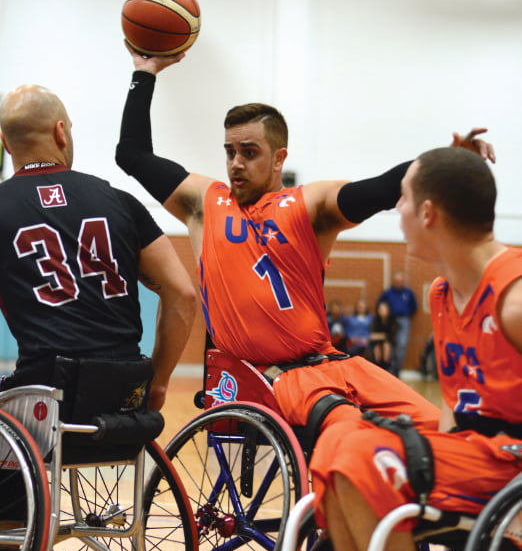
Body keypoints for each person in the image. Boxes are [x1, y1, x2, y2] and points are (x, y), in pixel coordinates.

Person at [115, 47, 494, 442]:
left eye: (249, 152)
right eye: (229, 152)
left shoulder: (307, 206)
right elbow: (133, 154)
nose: (236, 163)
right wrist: (145, 72)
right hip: (273, 376)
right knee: (351, 436)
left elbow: (381, 188)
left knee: (442, 428)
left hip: (333, 364)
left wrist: (447, 162)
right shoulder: (204, 203)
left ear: (279, 159)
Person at [299, 146, 522, 551]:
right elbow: (454, 412)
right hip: (474, 460)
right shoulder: (442, 294)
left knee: (363, 455)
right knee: (335, 450)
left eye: (402, 198)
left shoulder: (515, 297)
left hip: (511, 473)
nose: (394, 209)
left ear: (428, 214)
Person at [0, 83, 196, 411]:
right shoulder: (120, 201)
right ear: (61, 132)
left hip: (45, 392)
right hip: (125, 390)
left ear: (5, 144)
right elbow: (184, 295)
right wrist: (158, 383)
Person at [377, 269, 417, 376]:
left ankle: (397, 369)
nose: (399, 282)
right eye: (396, 280)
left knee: (402, 344)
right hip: (391, 321)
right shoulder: (388, 293)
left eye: (400, 280)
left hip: (404, 320)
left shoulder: (408, 293)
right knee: (390, 344)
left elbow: (414, 307)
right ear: (393, 281)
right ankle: (390, 369)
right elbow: (380, 305)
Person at [369, 300, 396, 369]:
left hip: (389, 341)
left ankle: (386, 367)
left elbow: (391, 335)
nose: (382, 311)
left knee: (386, 345)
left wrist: (381, 336)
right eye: (380, 309)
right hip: (376, 342)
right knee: (377, 347)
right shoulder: (376, 320)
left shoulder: (392, 320)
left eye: (384, 309)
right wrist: (383, 335)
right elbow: (372, 336)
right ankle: (378, 367)